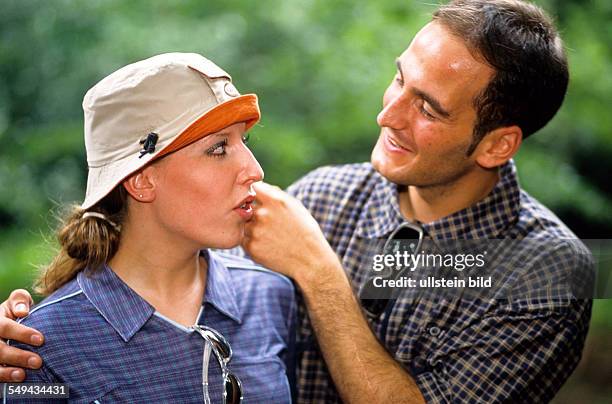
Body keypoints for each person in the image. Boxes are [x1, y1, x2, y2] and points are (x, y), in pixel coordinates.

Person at [0, 0, 595, 403]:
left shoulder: (543, 274)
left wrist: (317, 269)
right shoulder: (325, 197)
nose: (387, 114)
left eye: (429, 107)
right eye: (399, 80)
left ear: (497, 143)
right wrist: (26, 336)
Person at [0, 53, 295, 403]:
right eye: (218, 148)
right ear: (141, 181)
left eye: (243, 142)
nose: (254, 169)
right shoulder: (40, 346)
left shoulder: (270, 294)